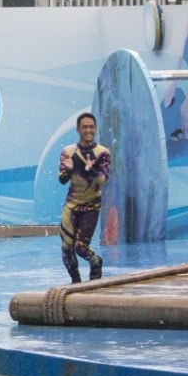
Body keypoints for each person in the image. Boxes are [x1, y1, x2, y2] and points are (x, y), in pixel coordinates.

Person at [58, 112, 111, 283]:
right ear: (78, 129)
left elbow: (103, 180)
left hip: (91, 206)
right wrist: (68, 171)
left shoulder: (102, 152)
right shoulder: (68, 152)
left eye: (91, 127)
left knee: (80, 247)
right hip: (71, 205)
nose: (88, 130)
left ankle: (96, 262)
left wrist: (89, 169)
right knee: (66, 247)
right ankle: (75, 283)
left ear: (96, 129)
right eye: (84, 127)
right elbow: (62, 180)